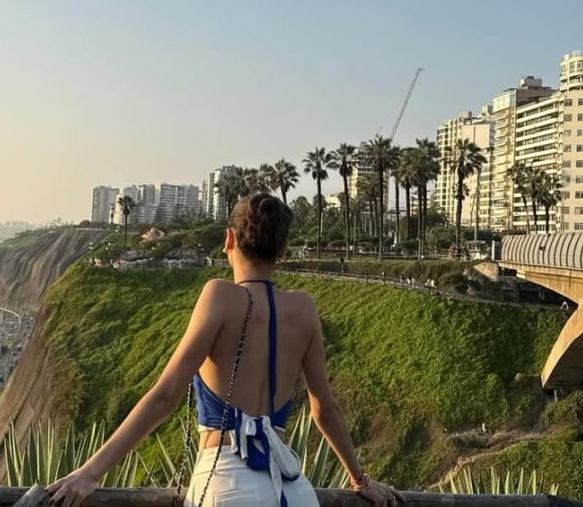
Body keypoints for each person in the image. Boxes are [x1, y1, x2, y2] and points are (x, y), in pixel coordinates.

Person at [47, 193, 399, 507]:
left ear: (228, 239)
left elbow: (165, 396)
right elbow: (324, 410)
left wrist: (90, 473)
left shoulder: (219, 295)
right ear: (283, 249)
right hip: (294, 490)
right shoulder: (303, 308)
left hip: (227, 484)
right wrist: (360, 480)